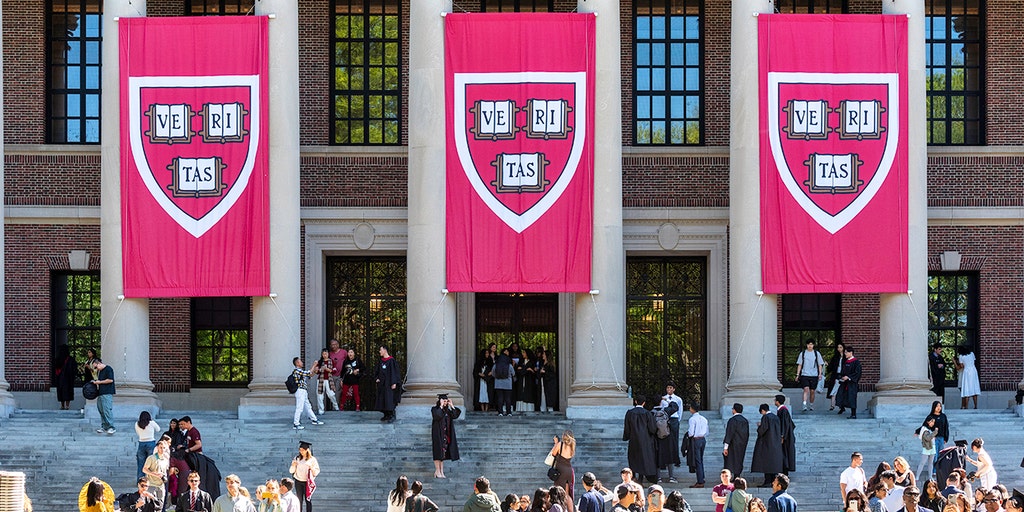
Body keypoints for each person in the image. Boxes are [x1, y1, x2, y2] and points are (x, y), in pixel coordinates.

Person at [623, 395, 658, 485]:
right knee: (643, 459)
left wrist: (627, 436)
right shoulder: (647, 413)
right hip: (645, 440)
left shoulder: (630, 413)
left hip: (634, 440)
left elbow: (627, 427)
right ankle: (640, 479)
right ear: (644, 403)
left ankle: (633, 476)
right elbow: (652, 429)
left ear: (635, 401)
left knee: (633, 458)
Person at [751, 403, 784, 487]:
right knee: (773, 464)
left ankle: (767, 481)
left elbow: (763, 430)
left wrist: (759, 426)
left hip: (767, 443)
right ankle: (773, 481)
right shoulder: (776, 417)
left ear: (762, 410)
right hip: (775, 443)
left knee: (766, 463)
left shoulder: (765, 417)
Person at [431, 394, 461, 478]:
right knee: (437, 453)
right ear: (440, 401)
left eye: (446, 401)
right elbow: (437, 416)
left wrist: (452, 405)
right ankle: (437, 471)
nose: (445, 402)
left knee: (442, 454)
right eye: (443, 401)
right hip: (437, 434)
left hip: (446, 435)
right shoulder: (435, 409)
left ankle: (441, 471)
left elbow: (455, 415)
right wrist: (440, 406)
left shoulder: (448, 411)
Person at [290, 357, 324, 430]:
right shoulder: (296, 371)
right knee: (300, 407)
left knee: (308, 406)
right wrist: (314, 365)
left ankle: (314, 419)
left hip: (303, 391)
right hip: (300, 391)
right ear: (297, 363)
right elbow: (308, 373)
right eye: (300, 361)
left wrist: (314, 371)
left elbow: (309, 375)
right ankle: (296, 423)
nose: (302, 362)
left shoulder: (300, 371)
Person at [288, 441, 320, 512]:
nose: (301, 452)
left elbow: (316, 472)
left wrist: (311, 467)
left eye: (303, 450)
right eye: (300, 450)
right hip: (298, 481)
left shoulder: (312, 460)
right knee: (299, 500)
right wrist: (293, 465)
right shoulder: (297, 458)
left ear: (307, 450)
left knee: (308, 499)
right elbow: (291, 471)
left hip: (307, 482)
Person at [662, 383, 684, 478]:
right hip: (666, 420)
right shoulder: (663, 399)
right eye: (667, 387)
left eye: (671, 388)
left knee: (675, 440)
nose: (669, 389)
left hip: (674, 419)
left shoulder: (678, 399)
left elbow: (680, 410)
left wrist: (678, 420)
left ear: (674, 389)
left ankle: (676, 460)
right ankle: (665, 461)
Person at [795, 339, 825, 411]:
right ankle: (804, 404)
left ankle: (811, 404)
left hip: (814, 375)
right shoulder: (803, 353)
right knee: (806, 389)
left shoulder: (816, 353)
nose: (810, 346)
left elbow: (820, 364)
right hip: (804, 374)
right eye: (808, 344)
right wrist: (797, 375)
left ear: (813, 345)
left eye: (811, 344)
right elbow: (799, 364)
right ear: (806, 345)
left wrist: (820, 374)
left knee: (812, 391)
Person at [375, 345, 402, 422]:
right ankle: (386, 414)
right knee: (382, 399)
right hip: (382, 385)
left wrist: (394, 382)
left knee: (389, 399)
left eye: (380, 350)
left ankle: (391, 415)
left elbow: (394, 372)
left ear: (385, 350)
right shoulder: (381, 361)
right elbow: (377, 371)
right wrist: (377, 378)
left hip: (389, 384)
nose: (379, 351)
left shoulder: (391, 361)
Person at [142, 438, 170, 511]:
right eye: (161, 447)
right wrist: (154, 474)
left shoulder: (166, 459)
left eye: (164, 448)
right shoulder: (151, 458)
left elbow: (165, 471)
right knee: (150, 506)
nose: (162, 449)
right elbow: (144, 469)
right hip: (151, 484)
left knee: (160, 506)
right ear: (157, 447)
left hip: (161, 485)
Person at [549, 429, 576, 504]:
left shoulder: (560, 444)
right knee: (567, 494)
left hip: (560, 471)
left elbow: (553, 454)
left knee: (559, 492)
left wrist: (556, 443)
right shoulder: (572, 446)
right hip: (569, 470)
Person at [723, 403, 750, 479]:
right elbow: (747, 434)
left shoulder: (732, 420)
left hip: (733, 444)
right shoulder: (745, 421)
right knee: (739, 460)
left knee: (730, 461)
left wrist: (726, 446)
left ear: (734, 410)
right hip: (742, 444)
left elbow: (729, 433)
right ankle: (737, 476)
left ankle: (730, 477)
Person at [90, 359, 116, 434]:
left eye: (96, 367)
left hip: (107, 392)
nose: (96, 369)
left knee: (107, 410)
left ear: (98, 364)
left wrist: (99, 382)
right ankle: (104, 426)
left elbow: (110, 380)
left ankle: (111, 427)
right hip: (101, 393)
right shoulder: (100, 372)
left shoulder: (108, 369)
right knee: (101, 410)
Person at [686, 402, 708, 488]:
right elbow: (707, 431)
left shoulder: (692, 419)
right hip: (703, 439)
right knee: (700, 460)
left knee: (697, 461)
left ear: (692, 409)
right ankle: (702, 477)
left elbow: (691, 433)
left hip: (696, 440)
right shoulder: (704, 419)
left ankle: (700, 481)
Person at [837, 346, 862, 418]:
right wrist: (841, 377)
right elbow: (842, 372)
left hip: (852, 384)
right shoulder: (846, 362)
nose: (845, 354)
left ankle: (853, 414)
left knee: (852, 398)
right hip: (844, 383)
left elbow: (858, 373)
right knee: (840, 395)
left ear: (851, 353)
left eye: (846, 352)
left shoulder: (856, 362)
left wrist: (848, 377)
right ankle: (842, 408)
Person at [135, 411, 161, 480]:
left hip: (141, 443)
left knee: (141, 463)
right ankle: (151, 480)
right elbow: (158, 429)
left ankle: (140, 480)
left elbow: (138, 433)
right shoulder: (151, 423)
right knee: (151, 463)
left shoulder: (137, 424)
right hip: (151, 443)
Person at [775, 395, 796, 475]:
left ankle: (785, 471)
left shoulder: (783, 411)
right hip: (786, 436)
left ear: (778, 401)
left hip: (785, 438)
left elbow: (785, 424)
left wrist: (782, 435)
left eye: (775, 400)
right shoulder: (782, 410)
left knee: (785, 454)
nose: (774, 402)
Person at [313, 349, 339, 415]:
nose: (324, 355)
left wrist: (327, 369)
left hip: (328, 380)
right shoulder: (320, 362)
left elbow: (334, 371)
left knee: (331, 394)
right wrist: (318, 369)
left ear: (328, 354)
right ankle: (321, 410)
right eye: (323, 354)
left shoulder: (331, 361)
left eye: (326, 354)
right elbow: (317, 372)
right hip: (320, 380)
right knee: (320, 395)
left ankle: (335, 406)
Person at [492, 347, 515, 417]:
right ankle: (509, 412)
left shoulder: (496, 365)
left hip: (498, 384)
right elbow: (513, 373)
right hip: (508, 384)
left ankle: (500, 412)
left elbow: (493, 373)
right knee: (508, 398)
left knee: (500, 398)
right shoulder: (509, 365)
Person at [340, 347, 365, 411]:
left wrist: (357, 370)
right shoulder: (345, 361)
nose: (350, 354)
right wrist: (341, 380)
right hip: (346, 380)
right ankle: (341, 407)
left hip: (355, 380)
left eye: (351, 352)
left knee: (356, 394)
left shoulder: (357, 360)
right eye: (349, 352)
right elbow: (342, 371)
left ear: (354, 353)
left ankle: (357, 407)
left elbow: (363, 368)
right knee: (344, 393)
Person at [54, 344, 77, 410]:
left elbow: (56, 369)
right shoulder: (70, 359)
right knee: (67, 392)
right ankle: (67, 406)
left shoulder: (58, 359)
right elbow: (74, 369)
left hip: (60, 378)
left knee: (61, 391)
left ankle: (62, 405)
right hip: (68, 379)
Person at [826, 342, 846, 411]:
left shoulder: (846, 357)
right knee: (833, 390)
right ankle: (832, 405)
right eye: (838, 347)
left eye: (840, 347)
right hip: (835, 375)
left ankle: (840, 406)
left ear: (843, 348)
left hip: (843, 375)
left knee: (841, 391)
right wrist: (827, 365)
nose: (839, 349)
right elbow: (831, 367)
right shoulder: (835, 357)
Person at [326, 339, 347, 407]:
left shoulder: (343, 352)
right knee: (331, 392)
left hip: (340, 376)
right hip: (331, 376)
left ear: (338, 345)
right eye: (332, 345)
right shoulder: (329, 354)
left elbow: (347, 361)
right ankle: (333, 406)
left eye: (335, 344)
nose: (333, 346)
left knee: (338, 392)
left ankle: (336, 408)